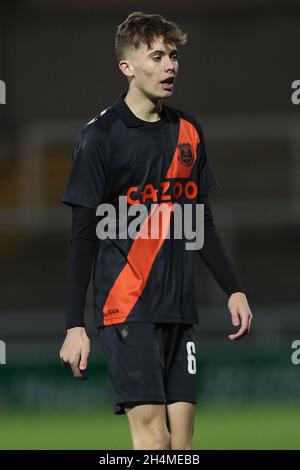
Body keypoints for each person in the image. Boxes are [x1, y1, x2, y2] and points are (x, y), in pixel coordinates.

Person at [59, 11, 253, 450]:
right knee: (154, 439)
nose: (171, 65)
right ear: (127, 66)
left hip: (178, 309)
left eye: (175, 55)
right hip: (126, 307)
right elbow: (82, 236)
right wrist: (74, 324)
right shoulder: (100, 138)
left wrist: (233, 289)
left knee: (180, 449)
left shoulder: (188, 131)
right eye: (158, 56)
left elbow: (197, 218)